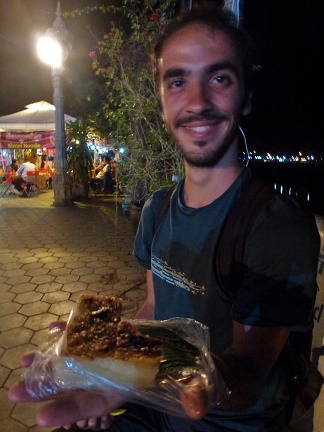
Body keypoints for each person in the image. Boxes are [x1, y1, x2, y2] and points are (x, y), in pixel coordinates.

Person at [8, 6, 320, 432]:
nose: (197, 102)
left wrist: (149, 383)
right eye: (178, 81)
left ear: (246, 96)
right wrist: (103, 356)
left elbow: (248, 376)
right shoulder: (157, 209)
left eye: (219, 78)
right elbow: (154, 309)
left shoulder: (275, 227)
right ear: (161, 104)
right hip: (154, 408)